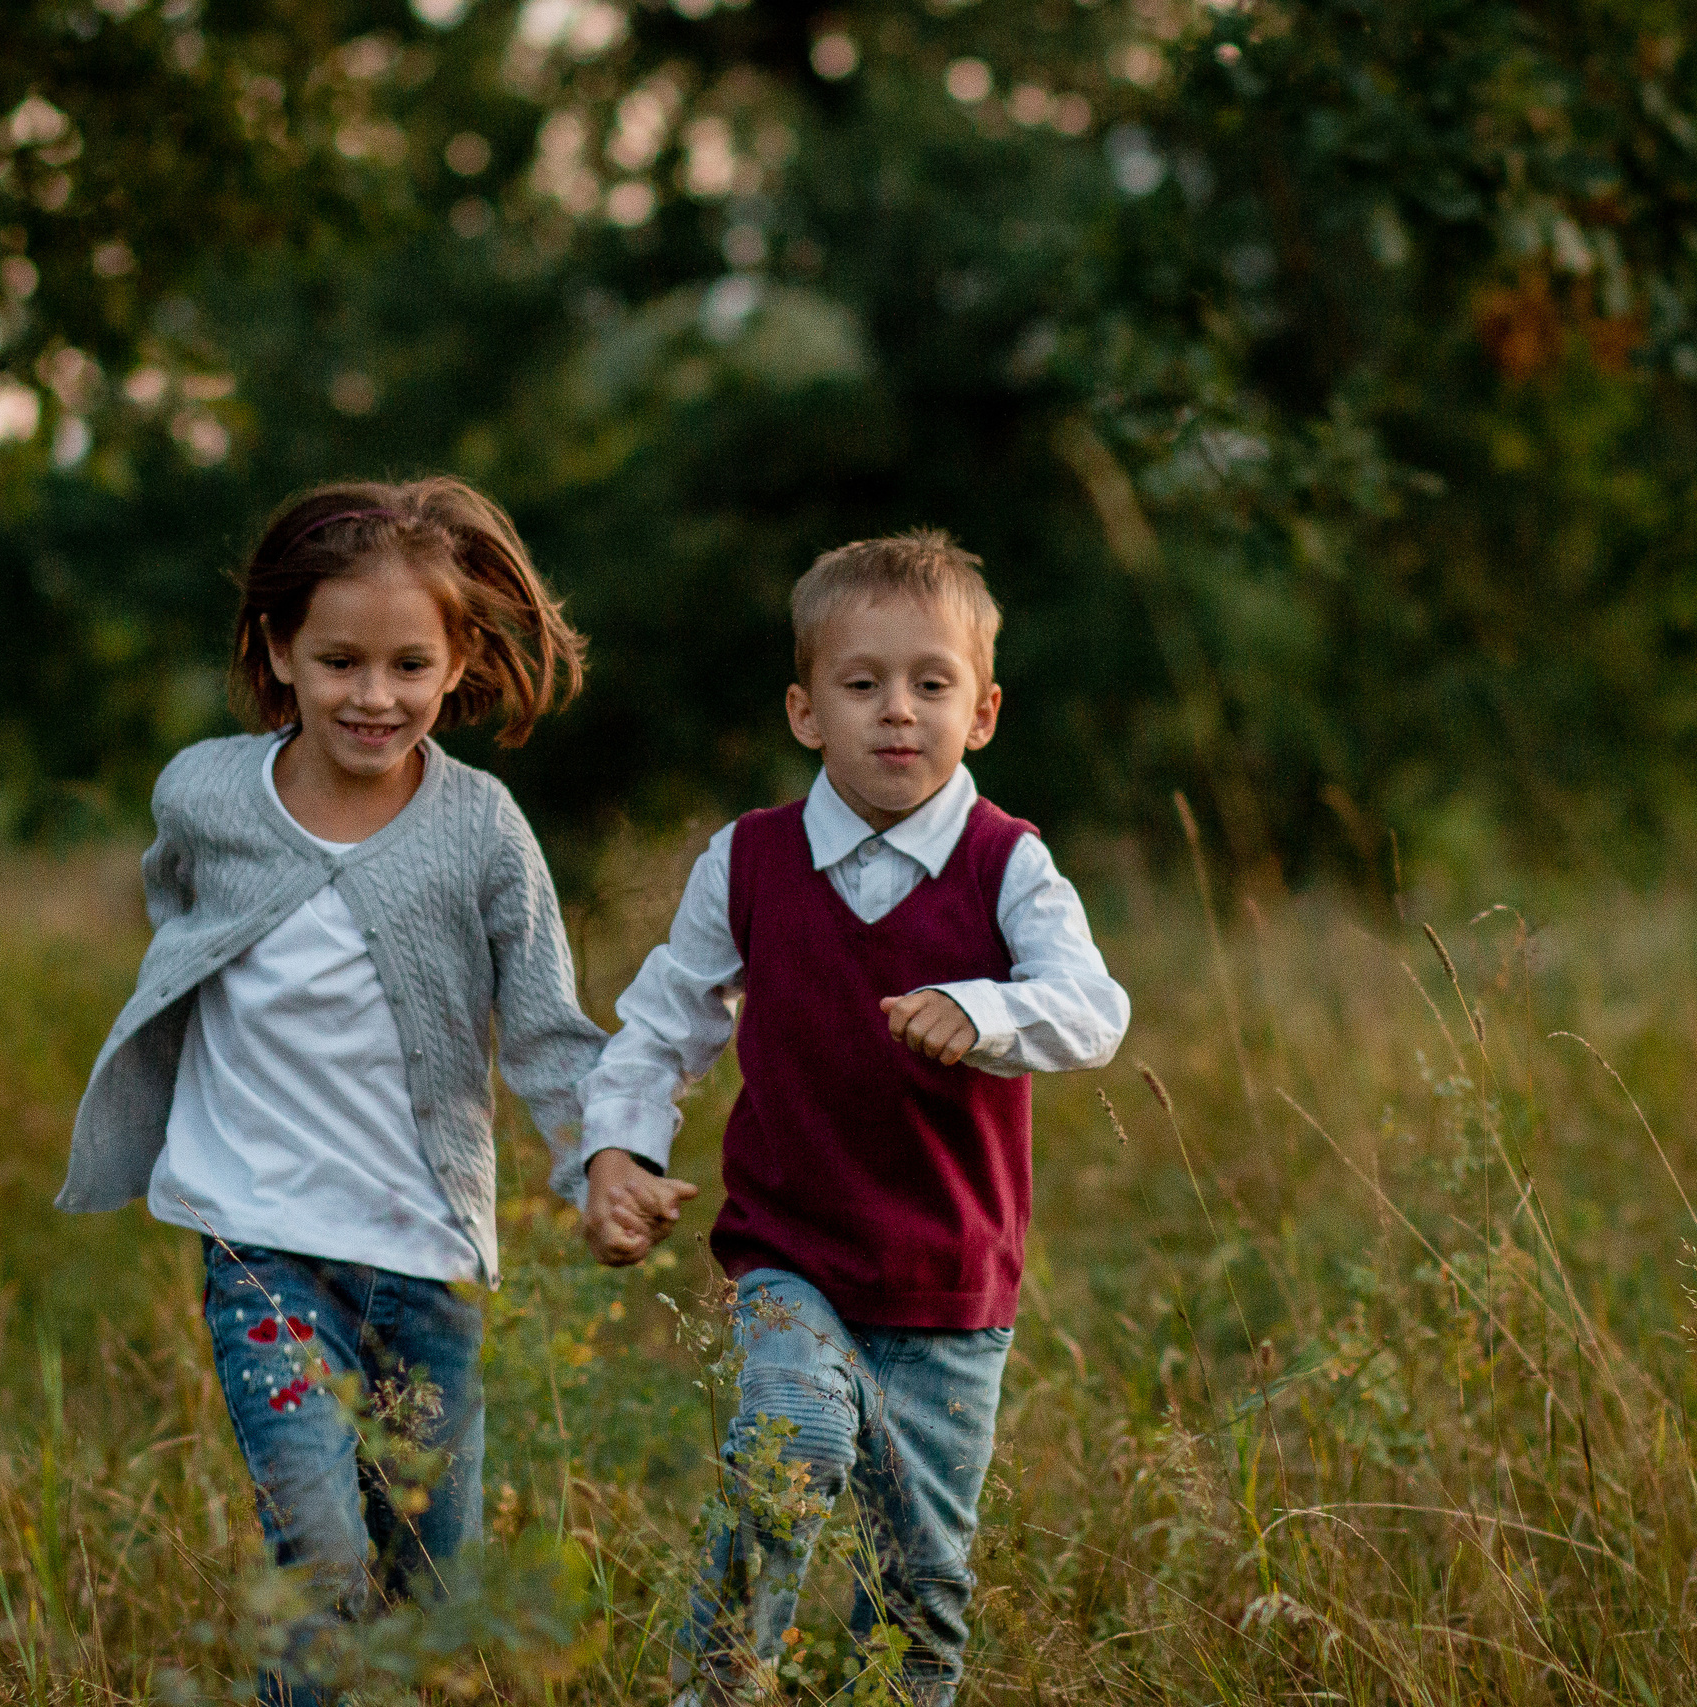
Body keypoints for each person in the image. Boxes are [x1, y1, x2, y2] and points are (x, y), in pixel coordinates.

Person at [55, 477, 607, 1705]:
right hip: (259, 1246)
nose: (375, 695)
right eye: (340, 660)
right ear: (276, 652)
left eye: (410, 664)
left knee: (423, 1580)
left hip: (423, 1258)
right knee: (318, 1548)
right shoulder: (204, 794)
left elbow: (546, 1029)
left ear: (458, 660)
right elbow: (180, 918)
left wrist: (600, 1162)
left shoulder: (482, 830)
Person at [572, 531, 1131, 1705]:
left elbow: (1091, 1010)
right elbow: (667, 1019)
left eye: (930, 684)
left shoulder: (1008, 865)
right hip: (792, 1253)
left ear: (981, 713)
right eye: (860, 683)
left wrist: (976, 1012)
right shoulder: (751, 859)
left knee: (918, 1591)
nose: (896, 712)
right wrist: (619, 1151)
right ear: (803, 710)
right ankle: (718, 1686)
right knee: (792, 1446)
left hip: (949, 1282)